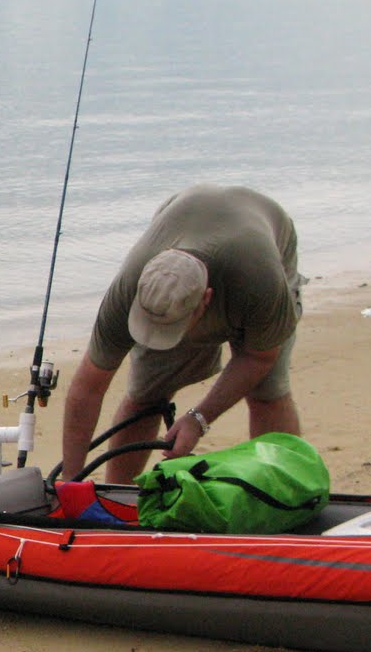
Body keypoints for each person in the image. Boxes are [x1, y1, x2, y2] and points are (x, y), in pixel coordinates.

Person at [59, 184, 304, 484]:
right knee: (145, 397)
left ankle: (282, 488)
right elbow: (88, 386)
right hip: (183, 219)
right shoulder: (129, 286)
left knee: (267, 392)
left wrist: (198, 419)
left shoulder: (260, 281)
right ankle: (118, 494)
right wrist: (70, 480)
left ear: (206, 301)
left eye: (169, 328)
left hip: (266, 234)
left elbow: (260, 357)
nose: (156, 335)